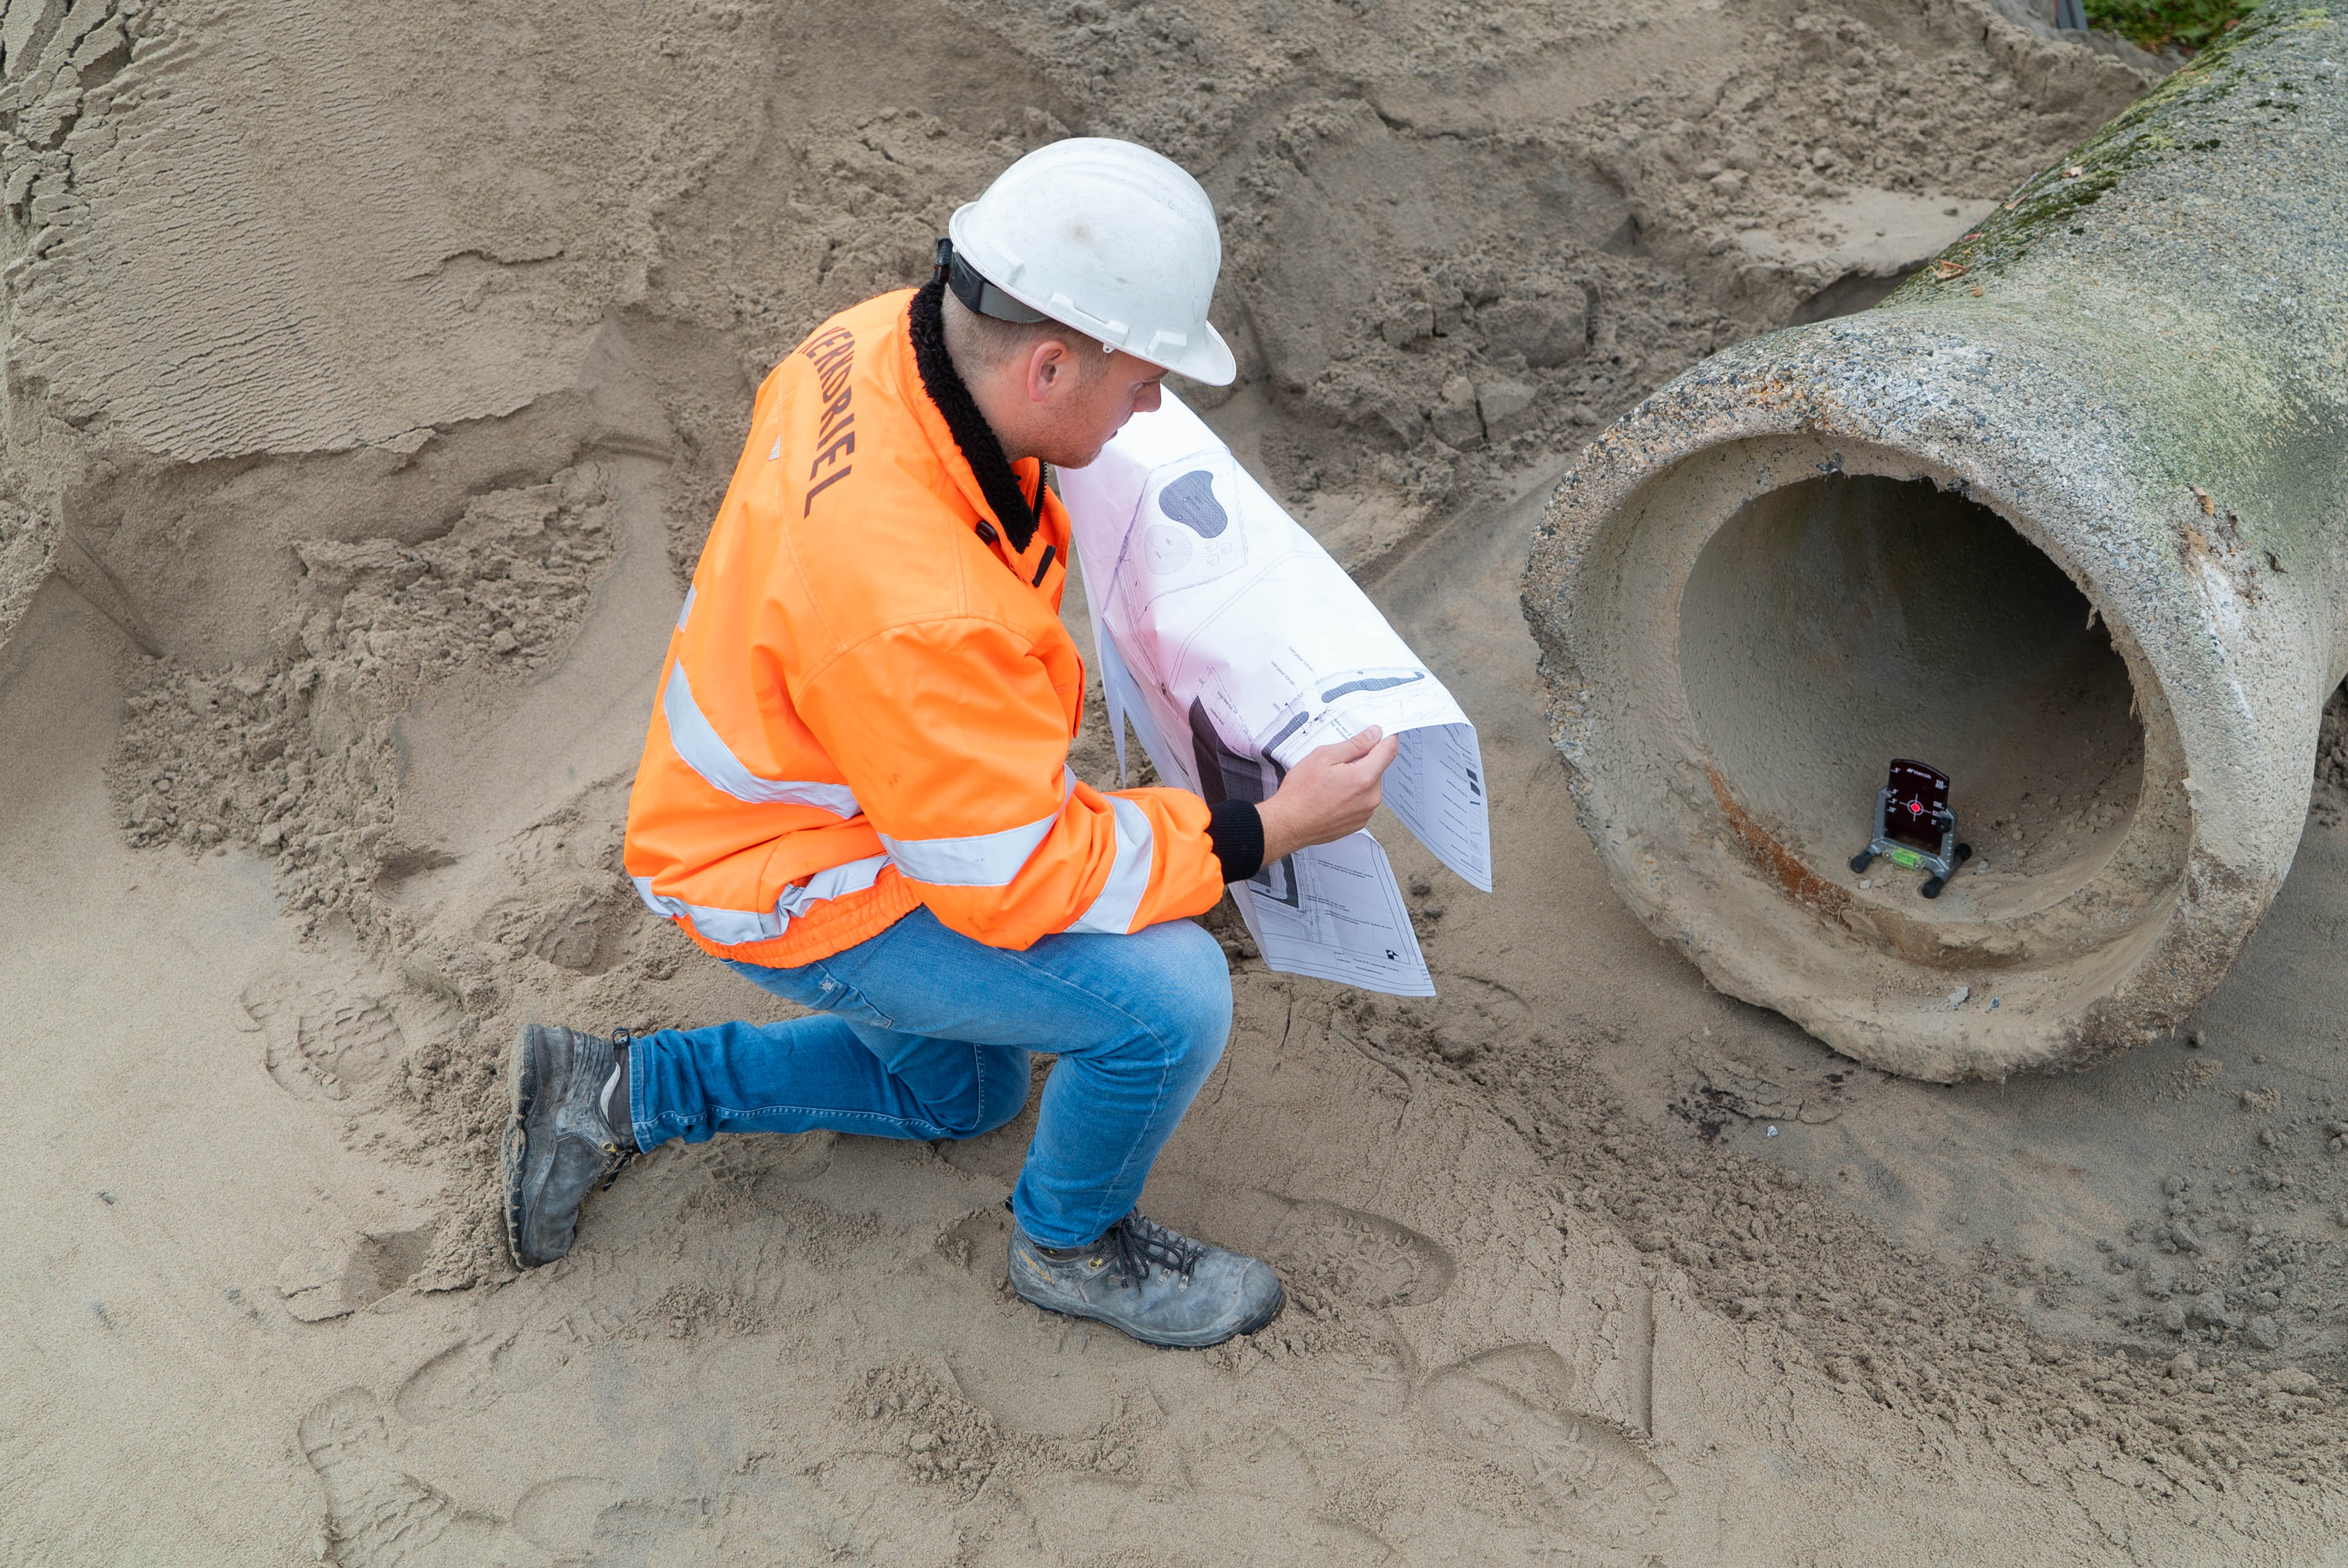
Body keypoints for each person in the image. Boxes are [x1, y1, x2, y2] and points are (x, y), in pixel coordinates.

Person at [499, 138, 1399, 1348]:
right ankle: (1072, 1247)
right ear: (1046, 363)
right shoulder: (918, 606)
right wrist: (1258, 829)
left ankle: (614, 1088)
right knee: (1170, 1003)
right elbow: (1012, 876)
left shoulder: (874, 341)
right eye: (1141, 381)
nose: (1153, 410)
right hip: (792, 871)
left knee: (962, 1091)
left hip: (806, 792)